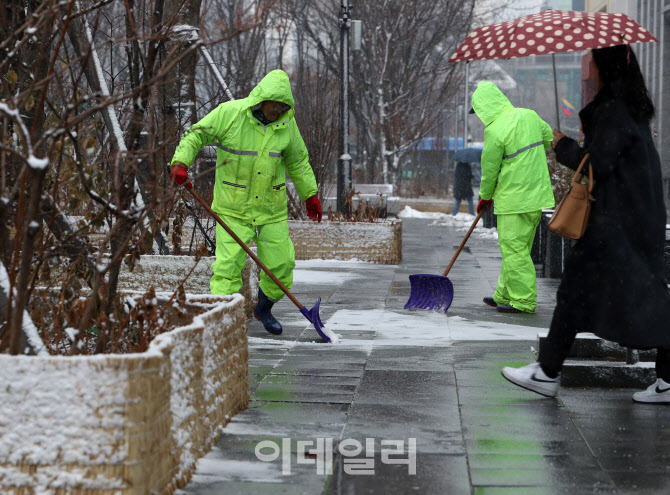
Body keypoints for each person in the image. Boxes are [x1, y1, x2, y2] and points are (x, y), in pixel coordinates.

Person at [501, 45, 670, 404]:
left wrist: (564, 147)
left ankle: (547, 373)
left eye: (593, 63)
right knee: (647, 298)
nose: (589, 70)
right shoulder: (630, 108)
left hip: (617, 225)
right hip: (637, 221)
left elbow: (596, 168)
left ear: (604, 68)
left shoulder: (615, 110)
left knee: (578, 291)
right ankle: (667, 380)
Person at [169, 69, 322, 336]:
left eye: (283, 107)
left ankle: (263, 308)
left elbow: (297, 162)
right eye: (275, 106)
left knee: (282, 266)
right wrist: (181, 162)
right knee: (227, 268)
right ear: (262, 99)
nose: (278, 111)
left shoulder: (287, 124)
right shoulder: (230, 114)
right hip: (233, 207)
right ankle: (221, 319)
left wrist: (310, 194)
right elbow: (196, 134)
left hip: (271, 208)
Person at [470, 81, 555, 314]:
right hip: (536, 197)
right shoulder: (529, 115)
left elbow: (489, 169)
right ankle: (504, 294)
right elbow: (548, 138)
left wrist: (485, 197)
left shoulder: (495, 130)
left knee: (513, 250)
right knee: (519, 249)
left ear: (485, 107)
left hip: (513, 200)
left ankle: (523, 300)